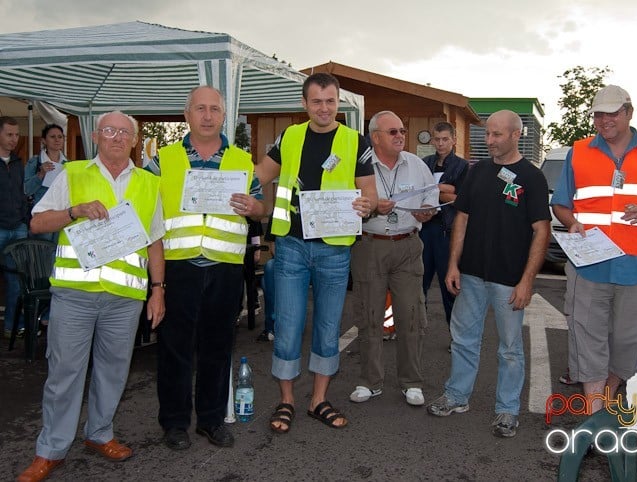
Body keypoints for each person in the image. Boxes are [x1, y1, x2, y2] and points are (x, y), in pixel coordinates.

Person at [16, 111, 165, 482]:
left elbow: (156, 241)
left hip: (125, 298)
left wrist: (158, 291)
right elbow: (36, 222)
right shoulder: (72, 173)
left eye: (124, 132)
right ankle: (50, 450)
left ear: (133, 140)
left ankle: (100, 434)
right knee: (65, 373)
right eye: (109, 130)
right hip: (74, 295)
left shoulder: (149, 183)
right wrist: (74, 211)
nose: (117, 137)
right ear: (96, 136)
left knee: (113, 372)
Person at [253, 72, 377, 433]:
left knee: (326, 328)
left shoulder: (356, 141)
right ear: (305, 104)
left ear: (338, 103)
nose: (324, 108)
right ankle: (286, 401)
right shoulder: (289, 136)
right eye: (317, 101)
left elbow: (367, 192)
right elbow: (261, 173)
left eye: (330, 101)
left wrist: (365, 206)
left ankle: (318, 400)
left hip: (334, 252)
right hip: (290, 246)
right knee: (288, 328)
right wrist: (226, 182)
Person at [550, 85, 637, 415]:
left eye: (612, 113)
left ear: (629, 113)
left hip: (636, 266)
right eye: (598, 114)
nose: (604, 120)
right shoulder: (578, 151)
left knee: (627, 345)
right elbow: (561, 204)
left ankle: (606, 402)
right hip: (589, 265)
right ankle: (595, 418)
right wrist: (572, 223)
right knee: (587, 340)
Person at [150, 85, 262, 450]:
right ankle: (175, 423)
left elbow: (261, 205)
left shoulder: (243, 161)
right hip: (178, 267)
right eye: (200, 108)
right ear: (187, 115)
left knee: (217, 346)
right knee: (174, 348)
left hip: (225, 268)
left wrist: (253, 207)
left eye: (215, 109)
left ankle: (211, 420)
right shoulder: (160, 160)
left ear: (224, 115)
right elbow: (143, 210)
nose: (208, 115)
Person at [427, 110, 550, 439]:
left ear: (515, 135)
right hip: (471, 275)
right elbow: (462, 218)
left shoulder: (532, 177)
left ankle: (507, 410)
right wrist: (453, 264)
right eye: (488, 134)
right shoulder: (477, 171)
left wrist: (526, 280)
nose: (489, 140)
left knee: (510, 348)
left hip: (509, 279)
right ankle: (456, 396)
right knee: (464, 339)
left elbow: (541, 231)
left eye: (497, 135)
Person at [349, 110, 438, 407]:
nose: (400, 135)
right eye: (393, 132)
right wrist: (372, 207)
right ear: (375, 137)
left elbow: (431, 197)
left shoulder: (416, 164)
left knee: (411, 316)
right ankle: (369, 382)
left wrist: (428, 210)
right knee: (369, 315)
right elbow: (346, 205)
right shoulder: (358, 165)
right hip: (370, 244)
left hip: (408, 245)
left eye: (402, 130)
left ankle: (411, 382)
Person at [420, 122, 468, 326]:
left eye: (445, 139)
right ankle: (418, 329)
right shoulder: (424, 163)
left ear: (454, 140)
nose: (440, 143)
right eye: (437, 139)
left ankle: (455, 335)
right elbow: (417, 191)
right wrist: (445, 190)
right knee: (418, 283)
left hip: (447, 231)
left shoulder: (462, 165)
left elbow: (461, 199)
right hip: (424, 228)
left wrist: (434, 189)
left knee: (449, 285)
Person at [0, 116, 28, 339]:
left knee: (16, 281)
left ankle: (12, 325)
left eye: (17, 135)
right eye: (9, 134)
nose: (14, 139)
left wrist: (24, 220)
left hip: (17, 227)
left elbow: (22, 193)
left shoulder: (19, 163)